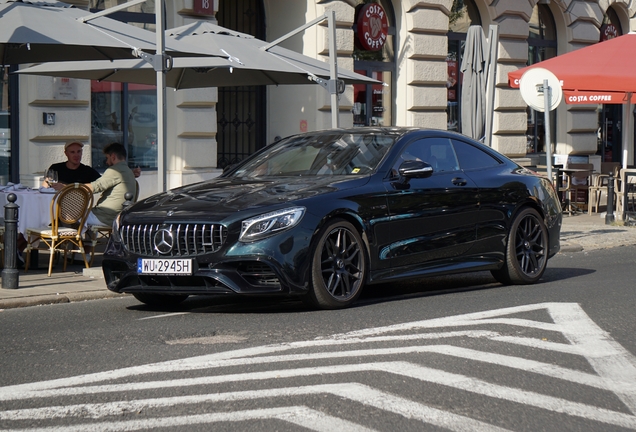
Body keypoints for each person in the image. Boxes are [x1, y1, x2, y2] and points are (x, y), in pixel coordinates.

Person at [83, 142, 137, 228]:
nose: (107, 162)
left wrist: (67, 187)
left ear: (113, 157)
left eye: (107, 158)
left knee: (71, 214)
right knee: (86, 214)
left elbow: (96, 186)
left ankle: (72, 240)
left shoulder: (115, 170)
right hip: (118, 217)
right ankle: (89, 241)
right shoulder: (129, 172)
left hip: (105, 217)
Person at [42, 141, 140, 187]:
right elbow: (45, 186)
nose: (76, 155)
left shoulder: (87, 171)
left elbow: (106, 181)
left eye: (79, 151)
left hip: (79, 210)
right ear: (66, 153)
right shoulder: (56, 168)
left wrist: (129, 173)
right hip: (54, 205)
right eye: (72, 152)